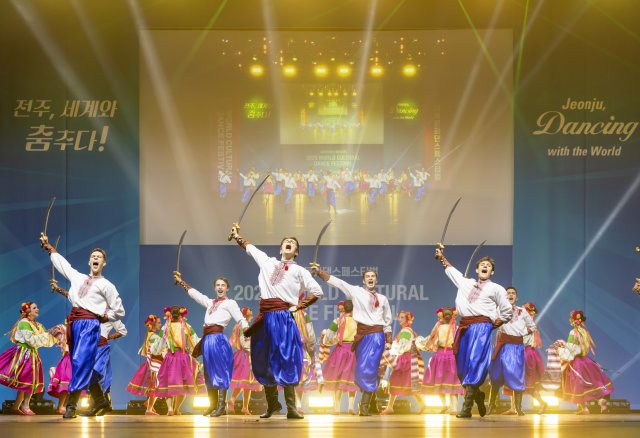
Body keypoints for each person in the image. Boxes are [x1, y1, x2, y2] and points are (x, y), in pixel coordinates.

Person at [230, 226, 324, 419]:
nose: (289, 243)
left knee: (287, 359)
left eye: (293, 243)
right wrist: (237, 236)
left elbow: (317, 291)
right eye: (286, 242)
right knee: (264, 360)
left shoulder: (299, 271)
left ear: (296, 252)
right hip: (265, 318)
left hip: (283, 318)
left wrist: (298, 306)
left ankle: (291, 407)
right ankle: (272, 405)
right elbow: (249, 247)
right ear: (281, 248)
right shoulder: (267, 261)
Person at [40, 237, 125, 419]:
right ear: (89, 261)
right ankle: (100, 400)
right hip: (74, 324)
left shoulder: (107, 285)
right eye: (93, 256)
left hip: (90, 325)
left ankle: (71, 405)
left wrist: (104, 317)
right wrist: (50, 249)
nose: (96, 258)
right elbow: (64, 266)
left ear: (104, 263)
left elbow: (119, 310)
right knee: (80, 363)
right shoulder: (78, 277)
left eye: (99, 257)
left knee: (80, 361)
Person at [434, 247, 512, 418]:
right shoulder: (466, 283)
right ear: (477, 269)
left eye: (488, 266)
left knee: (475, 362)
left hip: (482, 327)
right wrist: (441, 257)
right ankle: (478, 395)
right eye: (482, 265)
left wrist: (492, 325)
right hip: (464, 327)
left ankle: (467, 407)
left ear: (492, 272)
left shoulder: (496, 288)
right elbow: (451, 270)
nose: (485, 266)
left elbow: (507, 310)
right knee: (463, 366)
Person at [311, 266, 393, 416]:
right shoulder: (356, 291)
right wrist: (320, 273)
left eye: (373, 276)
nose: (370, 278)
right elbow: (338, 283)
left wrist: (388, 340)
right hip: (361, 336)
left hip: (376, 335)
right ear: (363, 280)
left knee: (367, 369)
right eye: (367, 276)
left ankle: (364, 406)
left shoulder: (382, 299)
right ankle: (371, 403)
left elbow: (387, 321)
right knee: (362, 371)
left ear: (376, 280)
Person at [173, 273, 249, 417]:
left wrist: (246, 329)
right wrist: (181, 282)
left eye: (223, 285)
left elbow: (240, 318)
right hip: (207, 340)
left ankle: (221, 406)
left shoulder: (230, 303)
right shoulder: (210, 302)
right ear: (215, 288)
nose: (220, 287)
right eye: (218, 285)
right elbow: (195, 294)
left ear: (227, 288)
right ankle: (213, 405)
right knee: (208, 373)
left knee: (220, 371)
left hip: (217, 340)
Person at [0, 302, 58, 415]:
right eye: (34, 308)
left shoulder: (38, 325)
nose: (37, 309)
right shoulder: (24, 323)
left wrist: (55, 334)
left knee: (26, 381)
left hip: (32, 354)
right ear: (28, 311)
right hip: (23, 353)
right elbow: (30, 340)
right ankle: (25, 406)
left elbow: (46, 340)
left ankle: (16, 407)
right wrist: (47, 335)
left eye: (37, 307)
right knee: (28, 380)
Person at [485, 286, 535, 416]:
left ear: (516, 297)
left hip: (516, 347)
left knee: (517, 376)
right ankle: (491, 406)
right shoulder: (499, 310)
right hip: (503, 346)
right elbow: (490, 322)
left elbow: (532, 326)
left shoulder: (522, 311)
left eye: (513, 293)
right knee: (496, 375)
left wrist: (521, 333)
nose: (511, 295)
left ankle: (518, 408)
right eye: (508, 293)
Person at [558, 310, 613, 414]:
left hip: (577, 362)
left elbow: (571, 348)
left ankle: (584, 408)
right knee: (593, 382)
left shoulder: (573, 332)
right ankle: (601, 402)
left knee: (578, 386)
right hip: (586, 360)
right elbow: (585, 347)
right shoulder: (584, 331)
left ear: (572, 320)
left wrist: (562, 352)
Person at [153, 305, 206, 415]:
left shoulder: (165, 328)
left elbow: (159, 343)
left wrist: (155, 350)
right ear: (181, 315)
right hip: (183, 357)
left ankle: (170, 409)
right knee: (183, 384)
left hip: (170, 358)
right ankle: (176, 409)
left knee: (168, 383)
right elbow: (195, 341)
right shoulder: (187, 326)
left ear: (170, 315)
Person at [502, 301, 548, 415]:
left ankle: (541, 403)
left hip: (525, 354)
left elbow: (522, 340)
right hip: (525, 353)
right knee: (515, 380)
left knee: (525, 382)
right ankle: (513, 407)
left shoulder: (527, 326)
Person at [416, 307, 463, 415]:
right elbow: (431, 339)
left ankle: (453, 408)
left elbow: (459, 342)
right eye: (445, 313)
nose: (447, 315)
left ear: (453, 315)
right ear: (442, 315)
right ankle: (445, 405)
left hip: (451, 355)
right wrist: (422, 344)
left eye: (449, 313)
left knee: (452, 382)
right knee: (438, 382)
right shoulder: (438, 326)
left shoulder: (455, 328)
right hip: (440, 355)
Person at [380, 311, 427, 415]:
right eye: (399, 317)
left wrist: (391, 349)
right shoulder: (407, 330)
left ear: (407, 319)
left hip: (405, 359)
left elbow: (402, 347)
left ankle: (391, 407)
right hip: (406, 358)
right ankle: (390, 407)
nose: (400, 319)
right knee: (404, 382)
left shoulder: (406, 330)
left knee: (398, 381)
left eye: (402, 317)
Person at [320, 300, 358, 415]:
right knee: (351, 378)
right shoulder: (358, 321)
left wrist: (326, 338)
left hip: (341, 351)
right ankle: (350, 407)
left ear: (343, 309)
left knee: (337, 378)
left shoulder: (337, 321)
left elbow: (329, 336)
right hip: (353, 351)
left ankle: (337, 408)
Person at [126, 315, 165, 415]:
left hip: (153, 363)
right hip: (154, 364)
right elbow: (157, 349)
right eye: (159, 323)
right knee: (155, 385)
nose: (160, 324)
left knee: (155, 385)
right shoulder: (153, 336)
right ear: (153, 324)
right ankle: (149, 409)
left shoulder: (150, 335)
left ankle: (150, 405)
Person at [227, 307, 262, 415]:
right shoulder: (243, 325)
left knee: (247, 383)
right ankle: (232, 399)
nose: (251, 315)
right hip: (245, 356)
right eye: (250, 314)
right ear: (246, 315)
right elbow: (244, 342)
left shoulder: (239, 325)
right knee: (243, 381)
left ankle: (245, 407)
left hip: (244, 355)